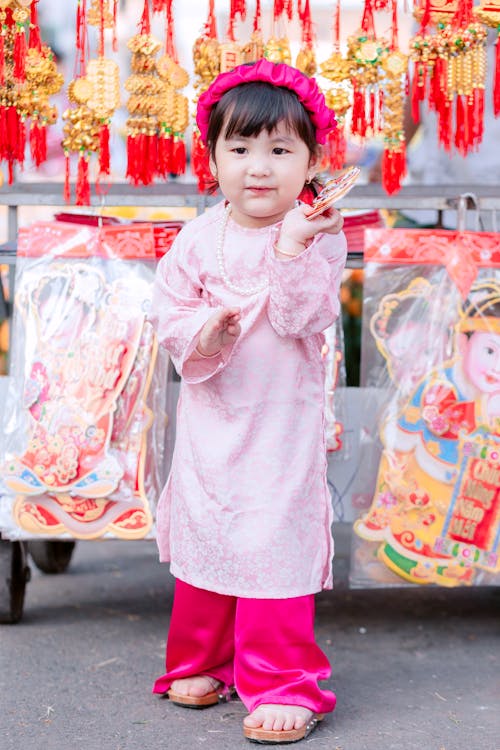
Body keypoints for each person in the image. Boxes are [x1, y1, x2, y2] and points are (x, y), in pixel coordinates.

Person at [148, 58, 347, 745]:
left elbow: (303, 321)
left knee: (269, 537)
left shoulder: (318, 230)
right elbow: (167, 309)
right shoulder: (199, 236)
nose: (258, 167)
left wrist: (292, 251)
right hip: (214, 417)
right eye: (239, 149)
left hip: (282, 422)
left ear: (313, 158)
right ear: (211, 156)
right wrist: (203, 327)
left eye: (280, 150)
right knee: (208, 529)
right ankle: (201, 661)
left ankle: (284, 680)